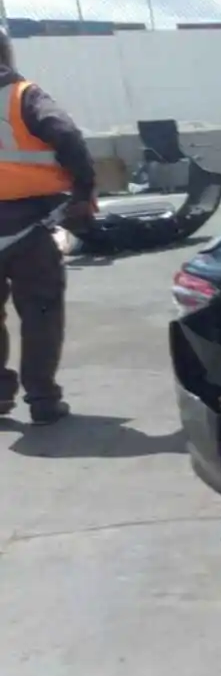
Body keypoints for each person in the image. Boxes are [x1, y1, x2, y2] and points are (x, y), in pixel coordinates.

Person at [0, 25, 97, 424]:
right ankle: (42, 398)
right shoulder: (23, 96)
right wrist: (83, 191)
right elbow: (66, 134)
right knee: (40, 310)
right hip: (27, 226)